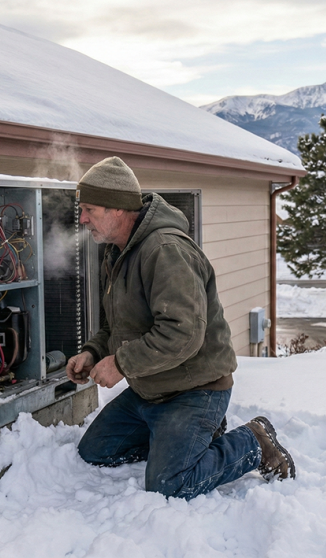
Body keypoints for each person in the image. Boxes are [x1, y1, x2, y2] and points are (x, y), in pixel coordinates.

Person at [66, 156, 295, 499]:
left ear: (117, 208)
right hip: (150, 389)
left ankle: (255, 442)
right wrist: (94, 352)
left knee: (170, 485)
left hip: (193, 389)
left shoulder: (165, 250)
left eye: (89, 209)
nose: (82, 219)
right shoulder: (118, 254)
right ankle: (189, 440)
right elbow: (118, 326)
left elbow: (183, 333)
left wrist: (121, 364)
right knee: (95, 452)